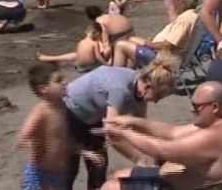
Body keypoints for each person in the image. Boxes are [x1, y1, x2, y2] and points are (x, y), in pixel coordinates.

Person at [99, 82, 222, 190]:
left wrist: (123, 133)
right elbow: (173, 132)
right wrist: (131, 122)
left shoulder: (215, 137)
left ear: (215, 107)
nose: (194, 112)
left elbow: (162, 149)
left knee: (110, 187)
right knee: (120, 173)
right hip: (184, 181)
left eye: (197, 107)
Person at [62, 52, 179, 189]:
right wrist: (139, 160)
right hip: (68, 112)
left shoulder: (139, 93)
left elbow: (141, 127)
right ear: (148, 87)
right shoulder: (121, 89)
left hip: (92, 118)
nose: (157, 101)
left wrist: (158, 154)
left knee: (98, 166)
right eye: (158, 96)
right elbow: (113, 133)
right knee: (69, 169)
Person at [16, 63, 102, 190]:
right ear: (43, 89)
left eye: (63, 79)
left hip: (59, 171)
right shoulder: (41, 111)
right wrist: (34, 144)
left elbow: (62, 138)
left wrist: (83, 151)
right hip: (39, 172)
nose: (65, 82)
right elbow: (22, 137)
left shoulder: (61, 106)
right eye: (58, 80)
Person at [112, 0, 199, 67]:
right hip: (165, 52)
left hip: (162, 57)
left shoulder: (185, 19)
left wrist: (148, 44)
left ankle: (117, 76)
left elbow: (167, 45)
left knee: (121, 45)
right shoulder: (192, 15)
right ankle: (128, 74)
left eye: (176, 1)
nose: (174, 4)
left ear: (182, 3)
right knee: (131, 40)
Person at [37, 22, 112, 73]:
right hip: (89, 68)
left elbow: (80, 55)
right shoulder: (94, 43)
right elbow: (98, 57)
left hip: (79, 67)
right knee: (102, 63)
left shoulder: (81, 42)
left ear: (86, 32)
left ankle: (52, 60)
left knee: (79, 55)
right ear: (97, 34)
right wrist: (106, 64)